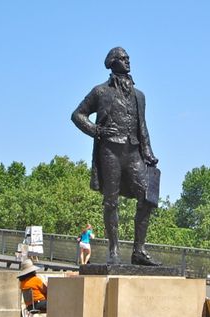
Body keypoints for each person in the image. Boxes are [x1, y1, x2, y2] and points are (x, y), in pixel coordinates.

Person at [71, 47, 160, 266]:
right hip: (110, 150)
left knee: (147, 197)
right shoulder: (100, 91)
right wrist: (97, 131)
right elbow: (77, 115)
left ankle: (138, 250)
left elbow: (142, 125)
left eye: (129, 58)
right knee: (111, 202)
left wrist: (148, 151)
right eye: (122, 58)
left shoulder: (139, 96)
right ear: (112, 62)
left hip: (133, 151)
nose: (128, 61)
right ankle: (114, 251)